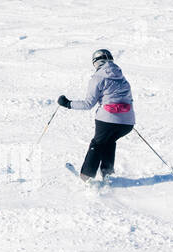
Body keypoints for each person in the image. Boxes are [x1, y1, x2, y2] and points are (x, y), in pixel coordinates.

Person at [58, 49, 135, 182]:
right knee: (109, 141)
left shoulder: (98, 77)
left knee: (98, 143)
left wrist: (67, 103)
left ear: (96, 62)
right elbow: (127, 99)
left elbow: (88, 104)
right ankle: (108, 173)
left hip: (107, 120)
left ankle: (86, 176)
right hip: (127, 123)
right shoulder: (122, 78)